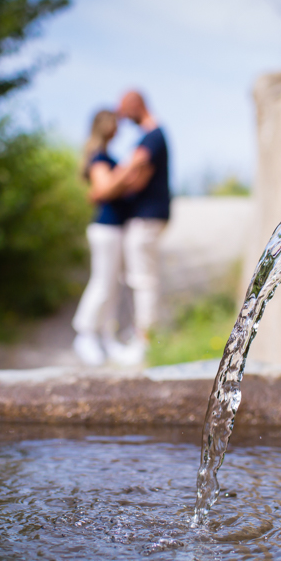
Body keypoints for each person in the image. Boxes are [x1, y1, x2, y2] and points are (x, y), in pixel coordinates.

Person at [114, 90, 171, 364]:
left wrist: (104, 187)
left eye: (125, 111)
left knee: (143, 278)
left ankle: (143, 341)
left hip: (148, 216)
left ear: (136, 106)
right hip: (146, 216)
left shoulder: (153, 136)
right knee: (140, 276)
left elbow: (132, 168)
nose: (124, 118)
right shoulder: (152, 137)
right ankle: (140, 334)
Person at [71, 110, 131, 366]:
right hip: (105, 228)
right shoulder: (99, 157)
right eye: (115, 123)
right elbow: (103, 188)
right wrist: (130, 171)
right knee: (102, 283)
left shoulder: (106, 156)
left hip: (115, 227)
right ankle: (85, 334)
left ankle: (108, 338)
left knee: (113, 285)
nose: (118, 127)